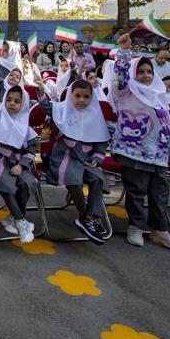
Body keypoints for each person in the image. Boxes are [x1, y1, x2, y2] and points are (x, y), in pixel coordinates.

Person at [110, 35, 170, 249]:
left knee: (160, 192)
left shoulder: (159, 95)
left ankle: (160, 230)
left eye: (149, 72)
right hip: (133, 151)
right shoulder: (125, 91)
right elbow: (120, 75)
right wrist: (124, 51)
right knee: (137, 190)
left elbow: (169, 126)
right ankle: (136, 227)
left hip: (158, 154)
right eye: (140, 71)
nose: (145, 75)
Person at [44, 79, 111, 244]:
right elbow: (45, 106)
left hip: (87, 160)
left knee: (97, 179)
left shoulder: (96, 115)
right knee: (74, 180)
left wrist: (97, 158)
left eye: (86, 97)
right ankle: (84, 214)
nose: (82, 100)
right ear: (71, 95)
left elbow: (101, 141)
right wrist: (40, 89)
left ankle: (91, 217)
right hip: (66, 157)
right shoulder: (62, 110)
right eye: (78, 96)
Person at [0, 83, 39, 243]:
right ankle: (21, 222)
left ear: (24, 105)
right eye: (8, 100)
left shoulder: (27, 129)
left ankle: (13, 217)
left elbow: (31, 151)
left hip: (19, 164)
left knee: (27, 183)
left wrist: (21, 165)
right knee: (6, 184)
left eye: (16, 101)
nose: (12, 104)